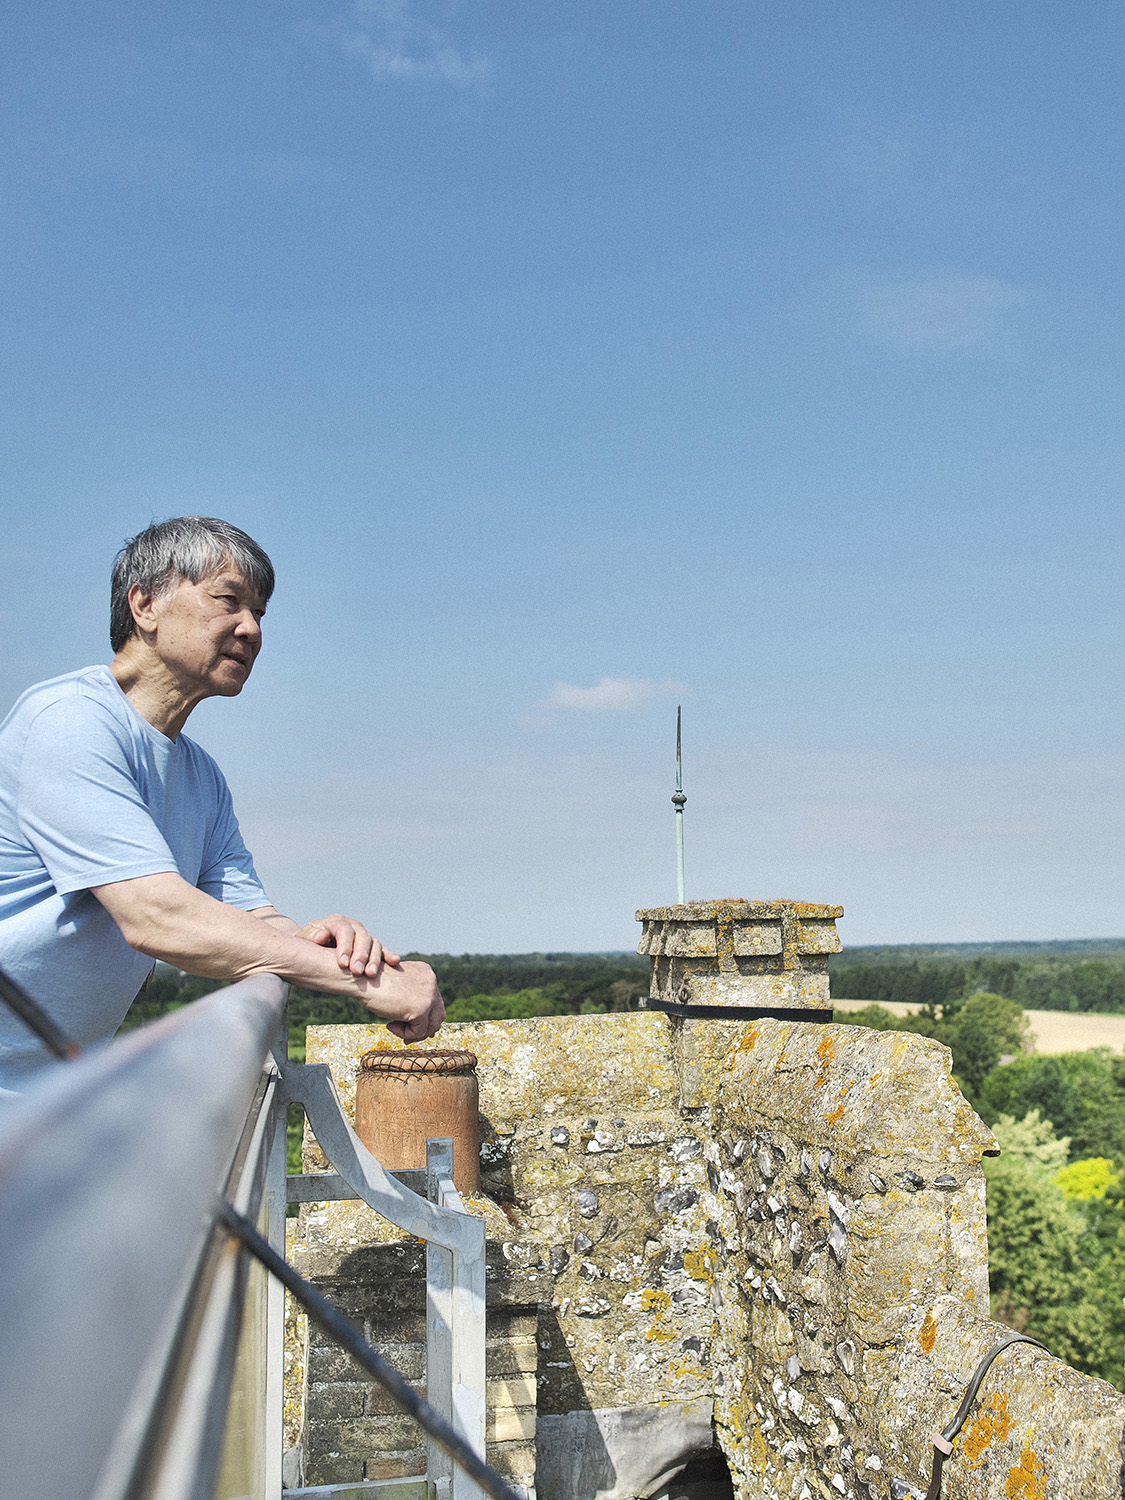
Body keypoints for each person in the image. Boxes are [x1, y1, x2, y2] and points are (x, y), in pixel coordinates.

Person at [0, 516, 445, 1092]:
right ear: (145, 606)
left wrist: (338, 946)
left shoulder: (200, 775)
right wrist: (368, 986)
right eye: (228, 600)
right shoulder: (67, 722)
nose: (252, 629)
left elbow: (249, 916)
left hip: (47, 1094)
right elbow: (156, 916)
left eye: (260, 612)